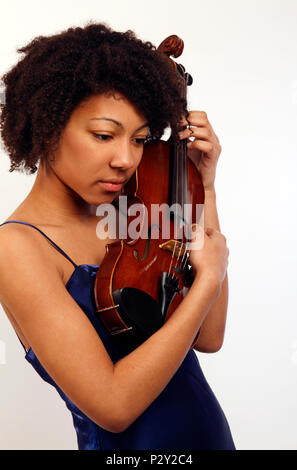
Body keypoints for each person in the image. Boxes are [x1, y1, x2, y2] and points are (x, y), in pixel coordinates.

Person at [0, 22, 235, 450]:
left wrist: (206, 186)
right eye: (104, 135)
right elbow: (113, 405)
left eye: (141, 139)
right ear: (48, 124)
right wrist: (210, 278)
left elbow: (209, 336)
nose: (126, 160)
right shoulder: (16, 248)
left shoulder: (130, 213)